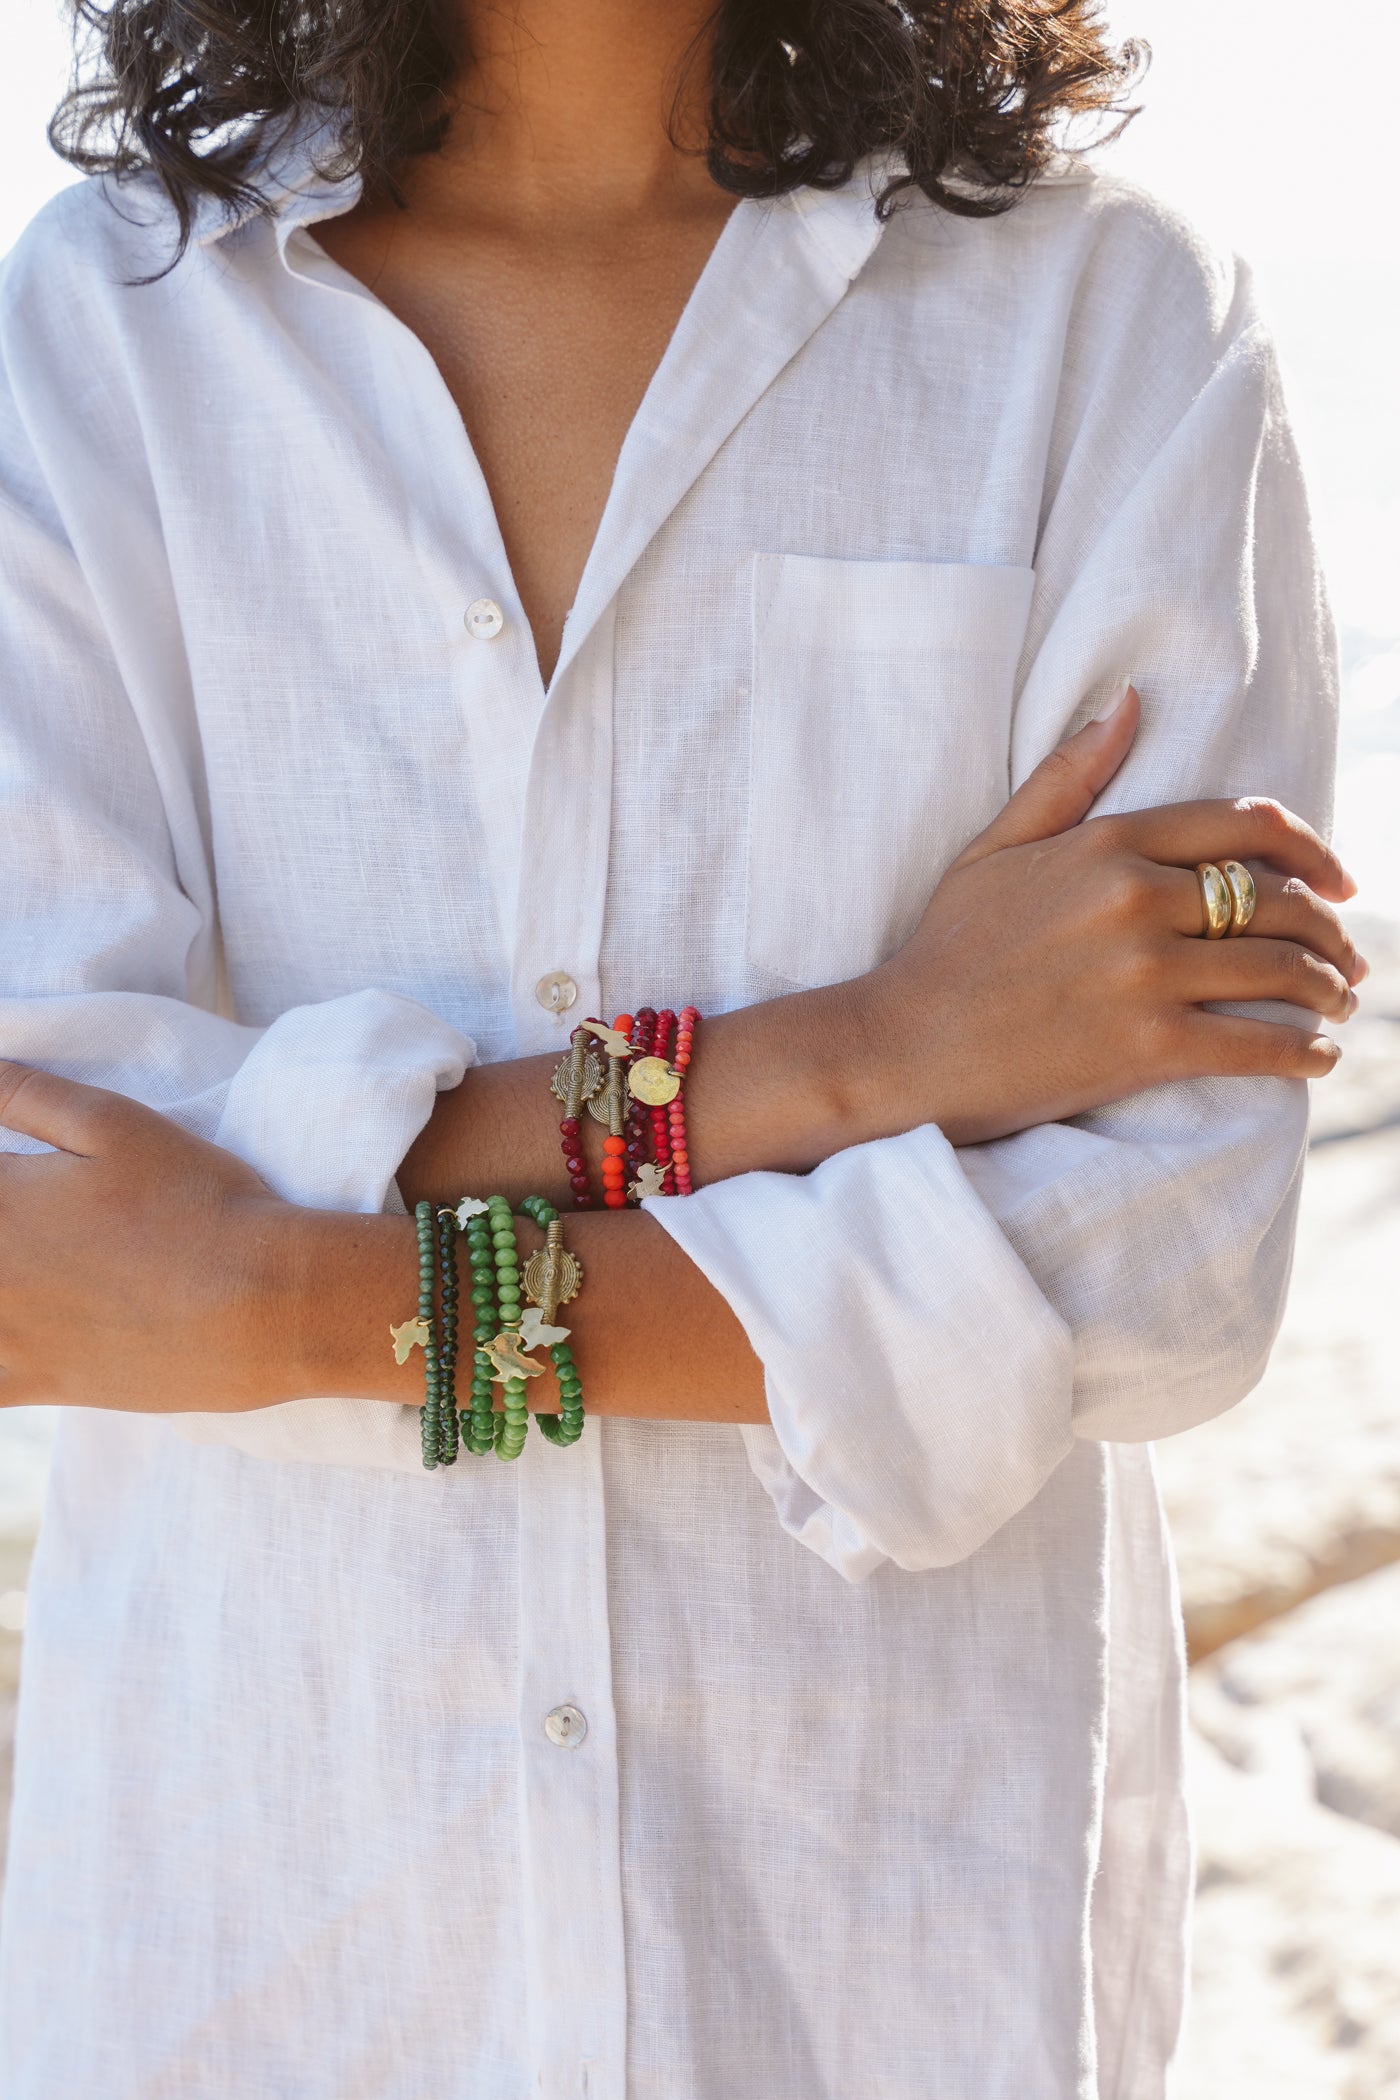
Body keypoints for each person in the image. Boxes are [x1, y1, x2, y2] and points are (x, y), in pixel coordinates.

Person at [0, 0, 1362, 2091]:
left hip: (880, 1950)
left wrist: (292, 1298)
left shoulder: (1100, 321)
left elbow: (1157, 1271)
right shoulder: (101, 332)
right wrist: (849, 1058)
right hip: (261, 1926)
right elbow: (50, 1208)